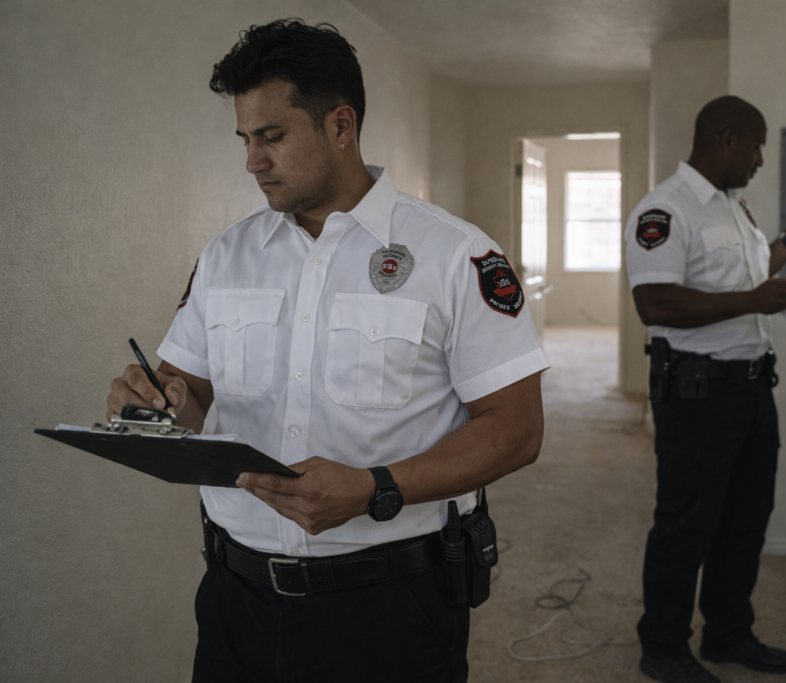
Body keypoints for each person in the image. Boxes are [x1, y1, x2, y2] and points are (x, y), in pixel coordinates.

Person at [105, 19, 548, 683]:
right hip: (236, 599)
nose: (252, 160)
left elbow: (516, 430)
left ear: (340, 126)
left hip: (389, 609)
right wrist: (154, 401)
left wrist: (376, 488)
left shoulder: (457, 255)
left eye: (272, 136)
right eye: (245, 139)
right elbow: (188, 394)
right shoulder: (227, 255)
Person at [625, 95, 786, 683]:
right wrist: (756, 301)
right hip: (698, 394)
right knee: (686, 525)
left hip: (754, 390)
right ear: (726, 139)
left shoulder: (736, 208)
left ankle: (728, 634)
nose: (761, 159)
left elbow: (747, 284)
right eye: (756, 146)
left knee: (746, 520)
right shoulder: (665, 209)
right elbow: (654, 302)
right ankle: (662, 649)